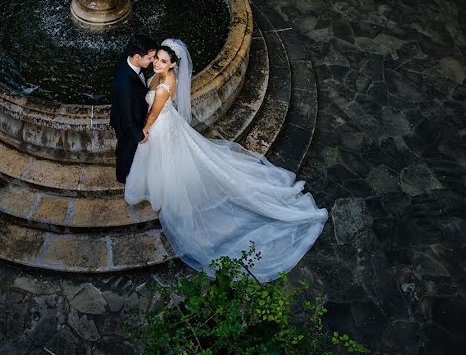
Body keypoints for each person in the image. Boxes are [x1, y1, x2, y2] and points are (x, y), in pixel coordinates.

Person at [124, 38, 328, 282]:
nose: (157, 63)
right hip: (171, 123)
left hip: (161, 125)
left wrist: (143, 131)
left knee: (167, 159)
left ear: (173, 64)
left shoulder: (164, 84)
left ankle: (167, 191)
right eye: (156, 58)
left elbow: (155, 112)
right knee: (174, 157)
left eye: (163, 61)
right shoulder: (166, 76)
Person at [109, 34, 157, 183]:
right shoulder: (126, 84)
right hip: (126, 124)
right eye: (150, 58)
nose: (153, 61)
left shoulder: (128, 58)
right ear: (137, 57)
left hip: (128, 111)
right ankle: (122, 178)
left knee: (123, 147)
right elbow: (128, 117)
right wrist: (139, 136)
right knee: (127, 152)